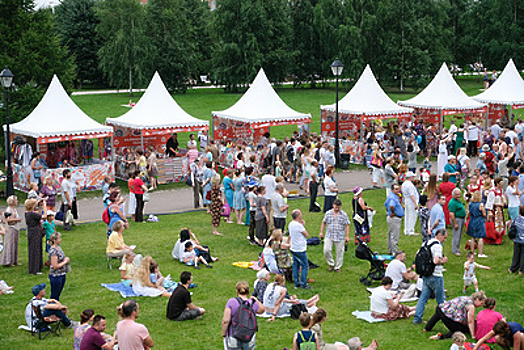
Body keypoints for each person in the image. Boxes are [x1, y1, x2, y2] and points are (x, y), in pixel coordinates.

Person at [413, 228, 448, 325]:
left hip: (425, 274)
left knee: (423, 298)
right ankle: (446, 319)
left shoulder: (426, 243)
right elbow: (436, 261)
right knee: (441, 299)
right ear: (439, 235)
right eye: (444, 238)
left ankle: (417, 318)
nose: (444, 240)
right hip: (436, 275)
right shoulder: (437, 246)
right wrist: (443, 260)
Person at [221, 281, 265, 350]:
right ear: (248, 291)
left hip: (234, 334)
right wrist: (256, 300)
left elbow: (225, 321)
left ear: (237, 291)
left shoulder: (231, 302)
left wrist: (224, 333)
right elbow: (262, 310)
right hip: (248, 336)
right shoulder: (252, 303)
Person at [319, 199, 350, 272]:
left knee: (340, 252)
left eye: (338, 207)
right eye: (336, 207)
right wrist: (321, 232)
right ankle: (331, 263)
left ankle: (337, 267)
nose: (337, 209)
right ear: (333, 205)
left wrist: (347, 236)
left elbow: (347, 225)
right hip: (329, 235)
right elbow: (324, 222)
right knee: (326, 250)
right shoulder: (328, 213)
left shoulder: (344, 214)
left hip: (340, 235)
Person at [289, 210, 311, 289]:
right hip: (300, 248)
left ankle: (296, 282)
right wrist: (303, 226)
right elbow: (306, 234)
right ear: (298, 216)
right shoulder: (299, 226)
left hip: (293, 247)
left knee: (296, 265)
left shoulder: (291, 224)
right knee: (305, 266)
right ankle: (303, 284)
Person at [26, 198, 47, 275]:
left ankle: (37, 266)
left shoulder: (30, 213)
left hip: (35, 232)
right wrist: (44, 206)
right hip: (34, 232)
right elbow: (44, 216)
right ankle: (34, 270)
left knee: (38, 248)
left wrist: (40, 207)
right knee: (34, 250)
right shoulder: (31, 214)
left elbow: (38, 215)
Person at [48, 232, 70, 301]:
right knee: (54, 295)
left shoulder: (58, 247)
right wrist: (65, 262)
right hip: (56, 275)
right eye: (59, 238)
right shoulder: (53, 251)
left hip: (62, 273)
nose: (60, 240)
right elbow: (55, 266)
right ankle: (51, 309)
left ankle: (55, 308)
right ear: (54, 240)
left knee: (58, 294)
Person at [0, 195, 21, 266]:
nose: (17, 201)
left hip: (15, 227)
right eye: (16, 200)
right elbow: (6, 220)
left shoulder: (14, 209)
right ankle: (8, 260)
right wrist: (16, 219)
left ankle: (14, 260)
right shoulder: (8, 210)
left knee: (15, 243)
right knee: (10, 244)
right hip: (10, 228)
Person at [485, 177, 505, 246]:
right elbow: (489, 202)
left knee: (499, 224)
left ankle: (499, 238)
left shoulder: (501, 190)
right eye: (501, 183)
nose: (502, 184)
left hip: (499, 210)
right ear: (497, 184)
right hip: (494, 210)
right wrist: (490, 211)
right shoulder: (492, 192)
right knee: (493, 224)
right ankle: (493, 238)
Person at [384, 185, 404, 255]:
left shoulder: (391, 196)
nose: (398, 190)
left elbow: (385, 204)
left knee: (390, 235)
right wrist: (393, 212)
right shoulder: (393, 198)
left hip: (392, 218)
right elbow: (391, 205)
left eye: (398, 189)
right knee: (394, 236)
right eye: (396, 189)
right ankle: (395, 252)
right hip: (394, 218)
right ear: (392, 190)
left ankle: (390, 250)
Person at [449, 188, 466, 256]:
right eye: (457, 194)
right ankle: (454, 250)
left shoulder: (458, 201)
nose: (458, 196)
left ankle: (457, 249)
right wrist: (455, 223)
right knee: (456, 235)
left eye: (459, 194)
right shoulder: (452, 202)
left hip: (461, 219)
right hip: (457, 219)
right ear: (453, 195)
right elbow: (451, 214)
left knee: (459, 235)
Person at [401, 172, 419, 237]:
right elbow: (412, 195)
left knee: (407, 215)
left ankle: (406, 229)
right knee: (412, 215)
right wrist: (415, 203)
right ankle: (411, 230)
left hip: (407, 200)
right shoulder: (410, 185)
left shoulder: (404, 184)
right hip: (411, 201)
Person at [509, 205, 524, 275]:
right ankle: (521, 270)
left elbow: (512, 226)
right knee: (523, 255)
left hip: (516, 240)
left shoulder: (516, 219)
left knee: (516, 254)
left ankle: (513, 268)